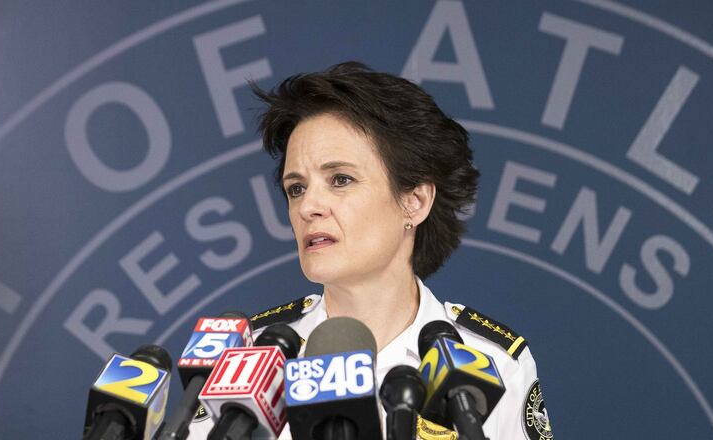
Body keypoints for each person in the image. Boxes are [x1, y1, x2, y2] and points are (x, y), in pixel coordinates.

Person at [188, 62, 552, 440]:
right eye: (296, 188)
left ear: (415, 201)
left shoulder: (493, 361)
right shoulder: (251, 358)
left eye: (340, 180)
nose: (308, 206)